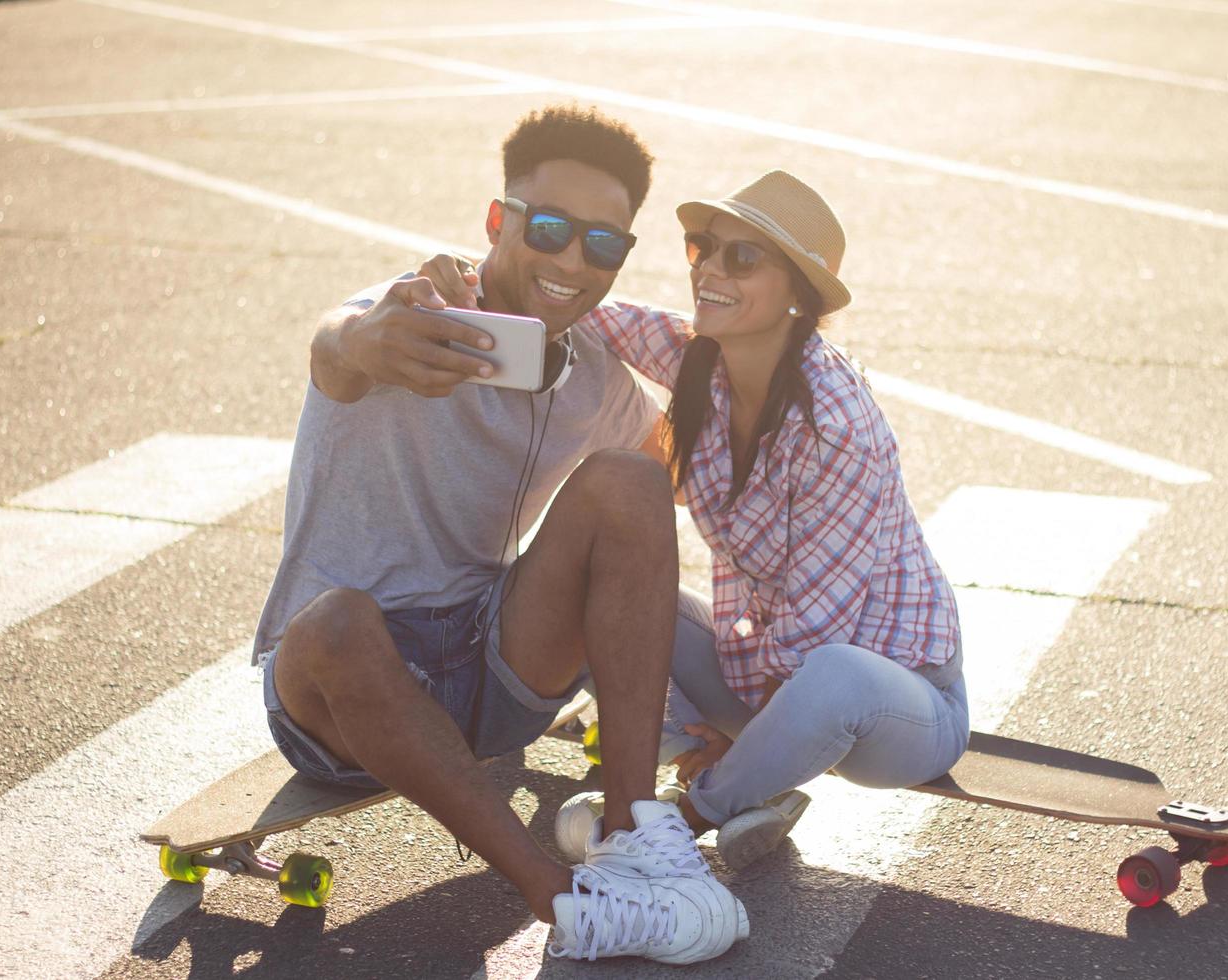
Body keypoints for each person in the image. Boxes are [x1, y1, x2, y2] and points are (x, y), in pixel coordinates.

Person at [251, 105, 749, 965]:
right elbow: (337, 347)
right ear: (497, 220)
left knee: (626, 483)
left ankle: (634, 830)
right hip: (340, 697)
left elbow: (650, 490)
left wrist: (745, 364)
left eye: (603, 245)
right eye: (549, 229)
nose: (570, 262)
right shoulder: (411, 317)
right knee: (334, 623)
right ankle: (560, 899)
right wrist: (370, 338)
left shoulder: (591, 371)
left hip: (490, 666)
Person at [423, 171, 969, 871]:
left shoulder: (837, 427)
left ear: (798, 297)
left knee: (837, 674)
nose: (710, 268)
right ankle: (740, 783)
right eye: (703, 247)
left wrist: (742, 747)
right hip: (766, 680)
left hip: (895, 705)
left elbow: (813, 637)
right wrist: (460, 278)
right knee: (600, 594)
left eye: (742, 258)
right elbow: (581, 306)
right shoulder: (700, 362)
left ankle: (688, 814)